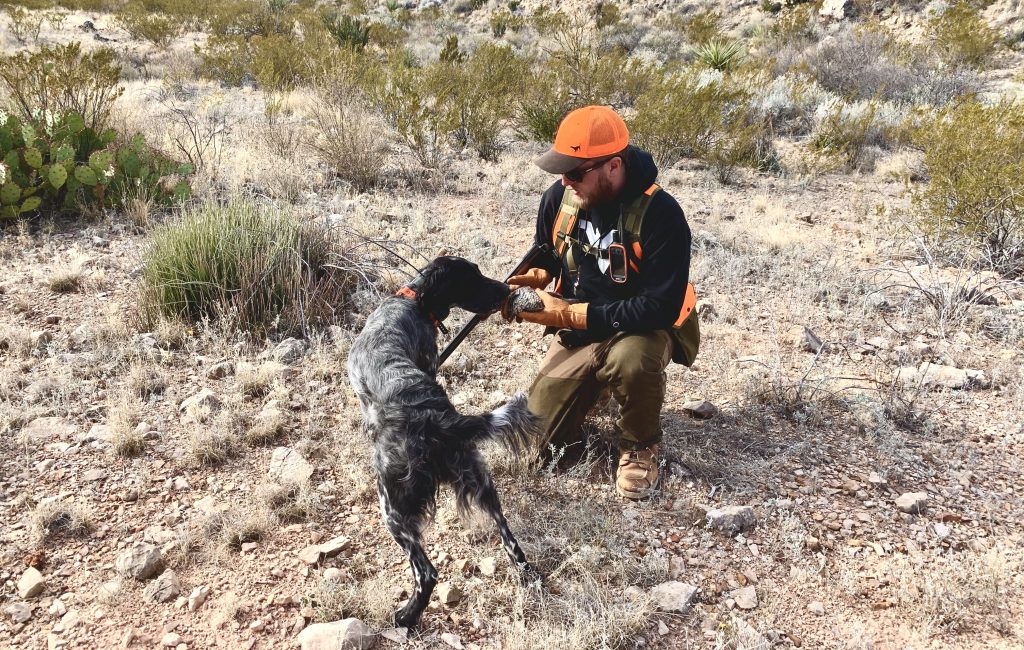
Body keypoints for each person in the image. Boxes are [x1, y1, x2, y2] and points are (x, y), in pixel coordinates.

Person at [505, 105, 692, 500]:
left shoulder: (662, 215)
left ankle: (640, 444)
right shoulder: (560, 198)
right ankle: (597, 385)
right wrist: (536, 275)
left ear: (613, 166)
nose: (565, 180)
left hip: (638, 328)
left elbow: (660, 307)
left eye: (575, 172)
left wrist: (570, 314)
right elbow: (549, 252)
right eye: (562, 171)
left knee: (631, 360)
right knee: (533, 449)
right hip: (581, 330)